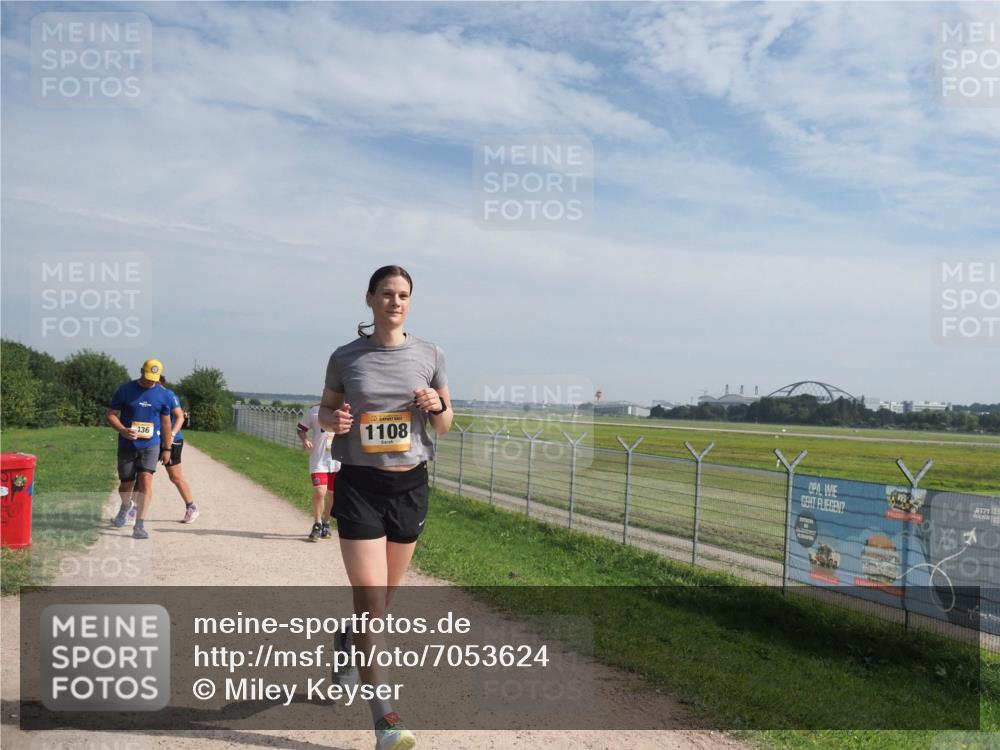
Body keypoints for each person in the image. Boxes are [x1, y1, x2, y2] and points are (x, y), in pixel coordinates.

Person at [320, 265, 451, 750]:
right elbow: (325, 412)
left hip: (410, 487)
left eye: (404, 295)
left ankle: (346, 641)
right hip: (358, 484)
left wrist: (436, 404)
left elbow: (445, 425)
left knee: (382, 604)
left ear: (409, 302)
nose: (396, 301)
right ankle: (385, 719)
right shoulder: (346, 356)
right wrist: (338, 418)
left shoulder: (430, 354)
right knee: (372, 600)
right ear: (370, 299)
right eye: (387, 294)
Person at [106, 359, 174, 539]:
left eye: (154, 378)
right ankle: (125, 505)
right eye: (147, 376)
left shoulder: (164, 395)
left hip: (151, 445)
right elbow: (111, 415)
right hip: (127, 444)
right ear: (141, 371)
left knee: (145, 480)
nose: (150, 381)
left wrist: (167, 448)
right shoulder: (125, 390)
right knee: (126, 484)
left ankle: (139, 524)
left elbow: (166, 423)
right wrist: (122, 430)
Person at [158, 376, 199, 523]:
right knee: (142, 474)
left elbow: (180, 417)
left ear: (160, 383)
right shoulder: (146, 396)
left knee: (175, 477)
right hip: (153, 440)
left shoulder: (169, 395)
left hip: (173, 441)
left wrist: (172, 434)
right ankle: (132, 509)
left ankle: (191, 507)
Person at [296, 403, 340, 541]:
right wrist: (305, 440)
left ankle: (326, 523)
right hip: (319, 460)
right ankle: (317, 523)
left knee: (333, 494)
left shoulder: (345, 411)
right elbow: (300, 429)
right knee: (320, 491)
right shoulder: (315, 411)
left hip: (338, 461)